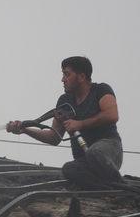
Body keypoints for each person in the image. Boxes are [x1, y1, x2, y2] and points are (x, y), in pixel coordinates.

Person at [6, 56, 123, 189]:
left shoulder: (101, 90)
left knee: (94, 153)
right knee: (69, 169)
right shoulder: (64, 101)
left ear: (81, 77)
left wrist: (80, 124)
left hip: (108, 150)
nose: (63, 79)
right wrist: (25, 130)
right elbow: (54, 137)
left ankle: (121, 187)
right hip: (84, 161)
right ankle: (107, 191)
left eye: (67, 74)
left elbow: (112, 115)